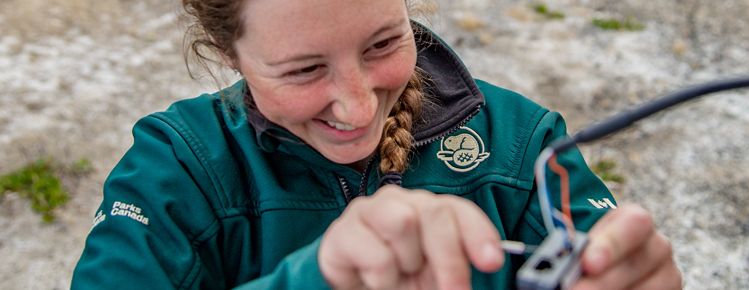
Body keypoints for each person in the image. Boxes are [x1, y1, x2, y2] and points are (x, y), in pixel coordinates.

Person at [71, 0, 681, 289]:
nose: (359, 107)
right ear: (231, 55)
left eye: (383, 44)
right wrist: (320, 280)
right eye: (305, 71)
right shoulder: (178, 167)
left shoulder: (521, 145)